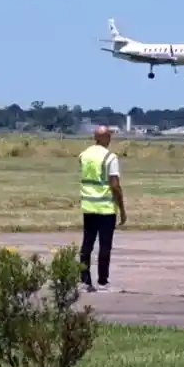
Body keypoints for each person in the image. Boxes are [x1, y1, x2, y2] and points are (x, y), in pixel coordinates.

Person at [77, 125, 126, 292]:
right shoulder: (110, 157)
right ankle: (103, 282)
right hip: (105, 208)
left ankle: (85, 280)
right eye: (109, 136)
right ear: (104, 138)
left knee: (87, 244)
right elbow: (115, 185)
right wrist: (122, 208)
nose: (110, 139)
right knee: (105, 246)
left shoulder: (84, 155)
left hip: (88, 206)